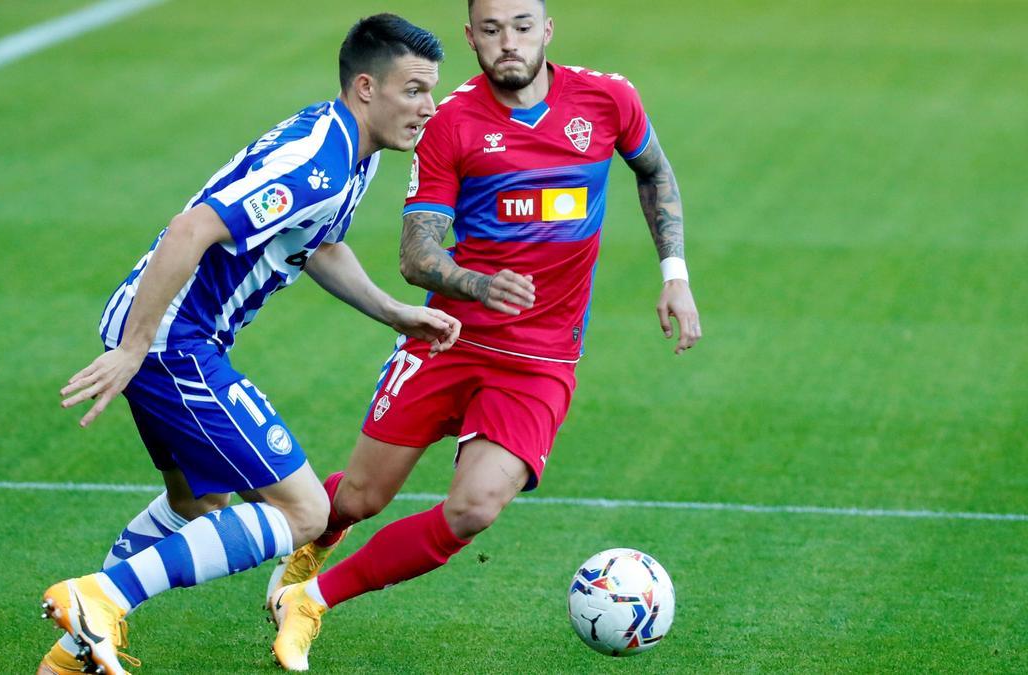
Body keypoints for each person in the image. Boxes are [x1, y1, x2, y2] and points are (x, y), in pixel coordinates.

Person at [267, 0, 702, 670]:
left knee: (474, 508)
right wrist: (477, 283)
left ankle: (313, 601)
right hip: (448, 337)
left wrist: (675, 273)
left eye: (523, 25)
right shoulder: (450, 123)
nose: (509, 42)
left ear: (547, 29)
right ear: (471, 37)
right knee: (359, 497)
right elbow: (416, 254)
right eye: (492, 29)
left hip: (540, 359)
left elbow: (654, 170)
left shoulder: (608, 100)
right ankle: (307, 535)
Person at [35, 15, 455, 675]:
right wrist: (136, 347)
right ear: (368, 87)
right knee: (305, 509)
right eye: (415, 91)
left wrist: (392, 312)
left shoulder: (351, 148)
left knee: (195, 503)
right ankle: (99, 596)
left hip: (161, 334)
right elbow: (189, 230)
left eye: (432, 91)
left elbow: (313, 242)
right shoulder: (319, 161)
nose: (428, 107)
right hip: (174, 341)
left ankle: (71, 655)